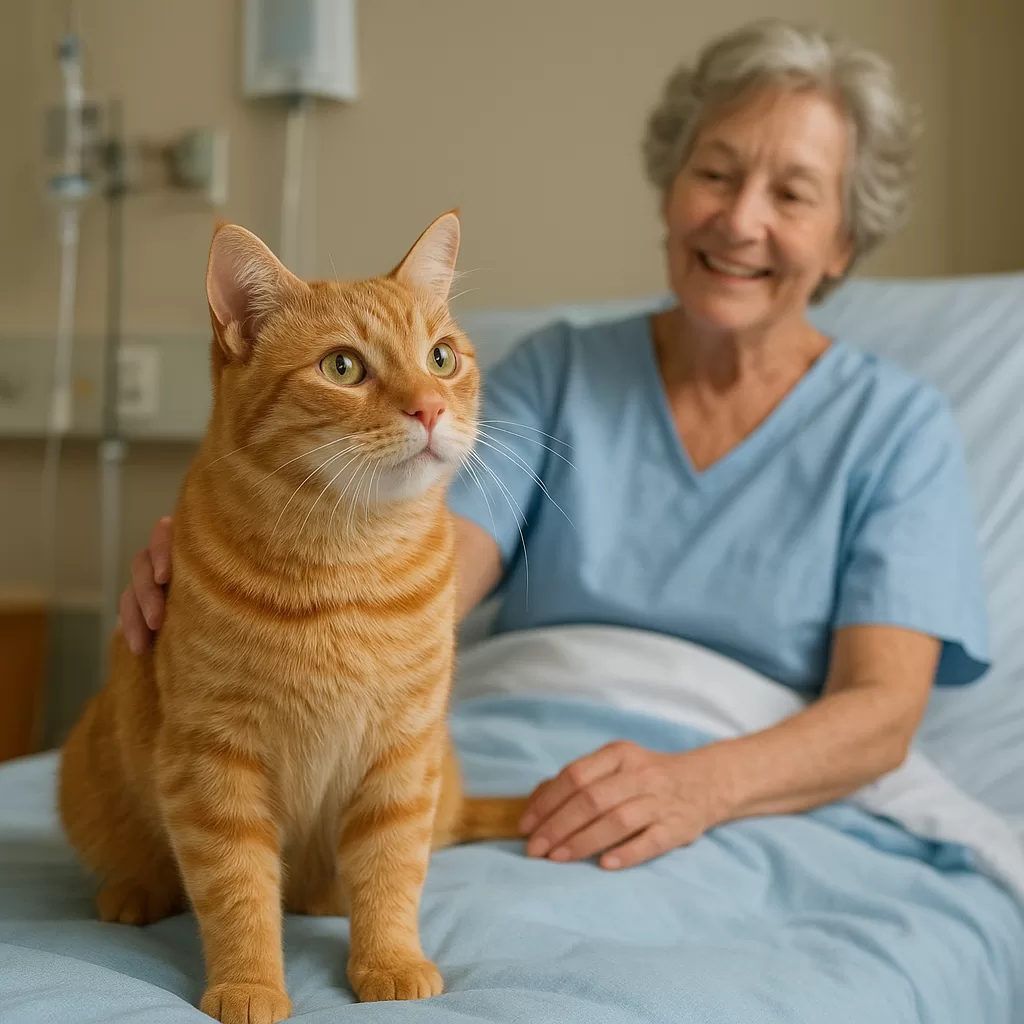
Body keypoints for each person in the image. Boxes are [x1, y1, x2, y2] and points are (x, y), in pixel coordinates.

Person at [119, 19, 989, 873]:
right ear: (669, 188)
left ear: (843, 241)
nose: (739, 220)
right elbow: (421, 569)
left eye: (792, 195)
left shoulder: (895, 426)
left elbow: (880, 710)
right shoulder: (557, 371)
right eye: (715, 173)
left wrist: (701, 787)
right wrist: (229, 586)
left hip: (739, 793)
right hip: (505, 764)